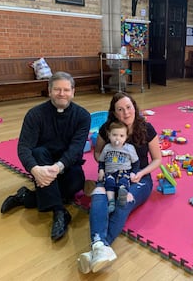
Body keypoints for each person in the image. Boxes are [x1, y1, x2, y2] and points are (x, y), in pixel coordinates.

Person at [0, 71, 91, 242]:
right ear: (49, 91)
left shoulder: (82, 116)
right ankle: (60, 212)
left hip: (66, 165)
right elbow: (24, 147)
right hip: (42, 164)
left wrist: (57, 167)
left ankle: (26, 197)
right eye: (57, 89)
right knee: (38, 152)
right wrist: (35, 170)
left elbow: (75, 149)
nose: (61, 94)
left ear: (73, 92)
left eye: (66, 90)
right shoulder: (35, 114)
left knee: (74, 186)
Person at [77, 92, 162, 274]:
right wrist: (106, 166)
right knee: (98, 197)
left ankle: (97, 249)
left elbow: (157, 159)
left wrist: (141, 173)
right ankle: (100, 248)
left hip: (139, 178)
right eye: (120, 109)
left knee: (122, 203)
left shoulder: (146, 128)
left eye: (129, 107)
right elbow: (97, 153)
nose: (126, 113)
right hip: (111, 176)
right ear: (114, 113)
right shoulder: (107, 129)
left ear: (135, 107)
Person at [97, 121, 140, 213]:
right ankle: (111, 201)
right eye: (114, 135)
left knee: (123, 182)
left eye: (121, 136)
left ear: (126, 137)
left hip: (124, 172)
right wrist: (101, 170)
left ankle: (122, 196)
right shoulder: (107, 147)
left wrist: (133, 173)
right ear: (109, 135)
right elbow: (101, 161)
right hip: (109, 172)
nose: (117, 138)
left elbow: (136, 163)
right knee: (109, 184)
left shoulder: (129, 148)